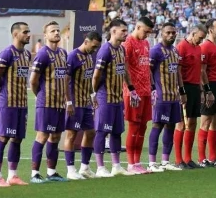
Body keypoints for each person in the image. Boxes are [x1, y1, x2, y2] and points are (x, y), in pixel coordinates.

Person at [92, 18, 135, 177]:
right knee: (102, 131)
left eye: (126, 30)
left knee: (117, 132)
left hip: (118, 98)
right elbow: (96, 76)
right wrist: (93, 94)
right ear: (113, 31)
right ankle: (100, 167)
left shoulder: (121, 50)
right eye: (123, 30)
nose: (126, 33)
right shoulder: (105, 50)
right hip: (105, 97)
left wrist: (131, 88)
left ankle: (116, 165)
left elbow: (124, 70)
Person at [0, 22, 32, 186]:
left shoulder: (27, 54)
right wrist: (0, 95)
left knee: (17, 138)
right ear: (15, 34)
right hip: (8, 102)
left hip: (22, 103)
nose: (29, 34)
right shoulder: (7, 53)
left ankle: (13, 175)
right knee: (3, 137)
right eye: (25, 32)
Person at [29, 21, 70, 183]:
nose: (56, 33)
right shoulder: (43, 54)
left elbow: (65, 79)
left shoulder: (62, 53)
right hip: (46, 103)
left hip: (59, 104)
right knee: (42, 136)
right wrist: (40, 95)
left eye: (58, 30)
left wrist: (68, 101)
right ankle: (34, 174)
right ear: (45, 35)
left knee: (55, 137)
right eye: (52, 31)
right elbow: (33, 81)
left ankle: (51, 172)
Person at [63, 31, 102, 179]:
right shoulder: (73, 56)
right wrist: (68, 102)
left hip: (86, 102)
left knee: (91, 132)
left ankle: (85, 168)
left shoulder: (89, 57)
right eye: (93, 46)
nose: (95, 50)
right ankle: (70, 169)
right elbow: (65, 80)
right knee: (71, 134)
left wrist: (93, 95)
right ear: (86, 41)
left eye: (97, 47)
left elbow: (88, 79)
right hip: (75, 102)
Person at [147, 23, 185, 172]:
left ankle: (165, 161)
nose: (171, 35)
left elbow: (177, 73)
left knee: (171, 126)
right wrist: (152, 90)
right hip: (161, 96)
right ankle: (151, 163)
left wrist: (182, 92)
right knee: (158, 125)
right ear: (161, 34)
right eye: (168, 33)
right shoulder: (155, 51)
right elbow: (148, 71)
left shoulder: (175, 51)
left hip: (174, 96)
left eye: (173, 33)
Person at [173, 24, 208, 169]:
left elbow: (199, 71)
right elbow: (178, 71)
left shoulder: (198, 48)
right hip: (184, 87)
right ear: (193, 33)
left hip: (194, 88)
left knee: (192, 122)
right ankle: (178, 159)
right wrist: (181, 91)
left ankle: (188, 158)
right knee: (181, 123)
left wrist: (201, 90)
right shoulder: (181, 47)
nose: (200, 41)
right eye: (199, 38)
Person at [122, 17, 154, 174]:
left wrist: (152, 87)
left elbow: (147, 67)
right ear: (138, 27)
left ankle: (138, 162)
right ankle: (130, 163)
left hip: (146, 90)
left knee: (143, 126)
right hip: (133, 92)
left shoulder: (146, 43)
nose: (147, 35)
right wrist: (131, 89)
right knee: (134, 126)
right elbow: (125, 68)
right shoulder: (127, 43)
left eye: (149, 32)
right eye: (146, 31)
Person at [198, 19, 216, 167]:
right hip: (210, 86)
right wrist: (207, 90)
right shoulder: (205, 47)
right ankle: (202, 158)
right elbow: (202, 70)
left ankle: (213, 157)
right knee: (205, 122)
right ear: (210, 30)